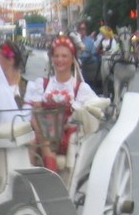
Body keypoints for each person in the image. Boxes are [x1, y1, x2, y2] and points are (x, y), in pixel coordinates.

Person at [24, 37, 99, 173]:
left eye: (64, 56)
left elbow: (89, 111)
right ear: (52, 59)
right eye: (56, 56)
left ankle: (51, 176)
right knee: (33, 140)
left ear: (72, 59)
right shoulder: (43, 84)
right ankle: (33, 177)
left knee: (43, 140)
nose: (59, 60)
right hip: (42, 132)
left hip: (65, 135)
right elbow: (33, 113)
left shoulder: (80, 88)